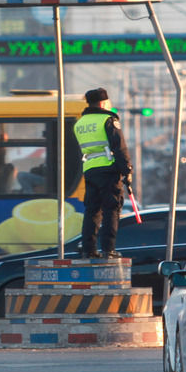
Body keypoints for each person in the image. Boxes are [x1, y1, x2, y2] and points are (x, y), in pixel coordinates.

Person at [73, 87, 132, 259]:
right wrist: (127, 170)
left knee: (92, 211)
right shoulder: (108, 120)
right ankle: (108, 250)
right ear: (103, 102)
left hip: (90, 169)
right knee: (111, 209)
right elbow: (119, 147)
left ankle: (89, 250)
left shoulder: (80, 124)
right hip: (108, 168)